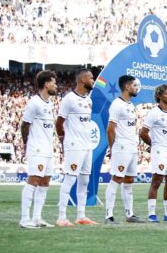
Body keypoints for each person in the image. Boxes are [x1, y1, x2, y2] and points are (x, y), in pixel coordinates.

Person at [56, 69, 97, 227]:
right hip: (74, 145)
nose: (93, 80)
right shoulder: (69, 99)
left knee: (85, 180)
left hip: (87, 145)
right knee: (70, 179)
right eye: (91, 78)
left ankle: (81, 215)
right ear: (82, 80)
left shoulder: (88, 100)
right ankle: (61, 217)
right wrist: (63, 140)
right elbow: (59, 122)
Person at [19, 70, 57, 229]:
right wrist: (27, 144)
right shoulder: (34, 102)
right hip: (37, 149)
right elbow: (24, 124)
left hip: (48, 150)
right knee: (33, 180)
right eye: (54, 82)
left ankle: (37, 218)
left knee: (45, 182)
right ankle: (24, 219)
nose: (56, 86)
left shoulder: (50, 103)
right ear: (46, 84)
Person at [105, 75, 141, 224]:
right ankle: (108, 215)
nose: (136, 88)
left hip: (132, 147)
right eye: (134, 85)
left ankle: (129, 214)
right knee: (116, 179)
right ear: (127, 87)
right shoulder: (116, 104)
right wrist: (113, 147)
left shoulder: (130, 105)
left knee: (129, 180)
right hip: (121, 147)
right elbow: (110, 129)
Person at [140, 84, 167, 223]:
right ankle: (151, 214)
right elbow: (143, 133)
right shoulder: (154, 113)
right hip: (160, 151)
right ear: (159, 96)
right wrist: (153, 145)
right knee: (156, 181)